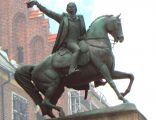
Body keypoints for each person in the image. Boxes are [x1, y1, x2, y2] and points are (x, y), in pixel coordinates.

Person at [27, 1, 86, 74]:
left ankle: (96, 78)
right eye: (69, 7)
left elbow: (84, 32)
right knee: (77, 50)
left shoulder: (80, 18)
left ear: (75, 8)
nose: (71, 8)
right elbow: (49, 12)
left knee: (91, 51)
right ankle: (72, 69)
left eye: (72, 6)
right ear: (67, 9)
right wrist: (37, 4)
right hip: (70, 42)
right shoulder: (63, 18)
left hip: (79, 41)